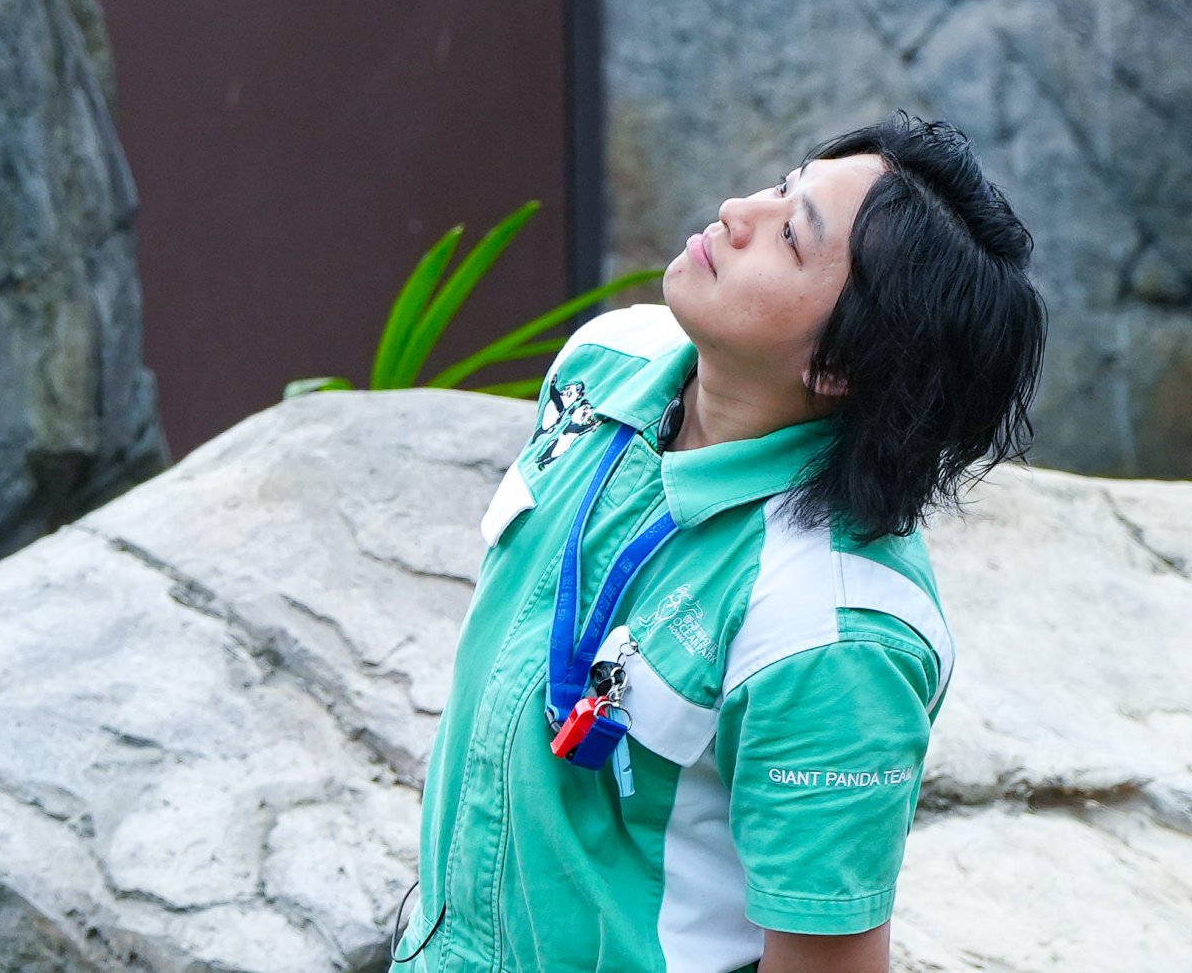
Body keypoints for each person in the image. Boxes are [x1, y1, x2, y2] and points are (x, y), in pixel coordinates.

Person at [394, 113, 1046, 973]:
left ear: (839, 366)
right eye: (783, 186)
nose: (737, 210)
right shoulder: (604, 362)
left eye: (789, 236)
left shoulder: (834, 629)